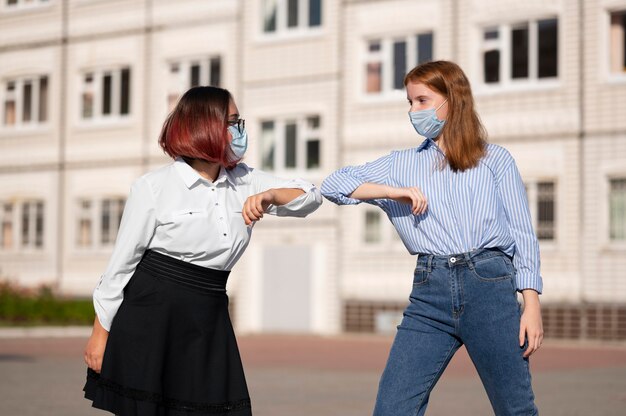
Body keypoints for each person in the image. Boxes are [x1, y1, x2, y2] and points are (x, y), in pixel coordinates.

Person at [83, 86, 322, 416]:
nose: (240, 130)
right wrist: (100, 334)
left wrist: (271, 197)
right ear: (204, 126)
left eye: (239, 121)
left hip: (210, 313)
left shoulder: (246, 180)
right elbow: (120, 267)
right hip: (152, 315)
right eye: (232, 122)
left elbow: (311, 196)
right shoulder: (153, 188)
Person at [321, 60, 542, 415]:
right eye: (409, 103)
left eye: (422, 101)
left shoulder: (495, 160)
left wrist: (531, 304)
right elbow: (332, 185)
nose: (413, 111)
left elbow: (522, 235)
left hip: (490, 287)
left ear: (451, 100)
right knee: (393, 408)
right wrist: (393, 192)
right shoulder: (401, 164)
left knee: (514, 408)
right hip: (430, 291)